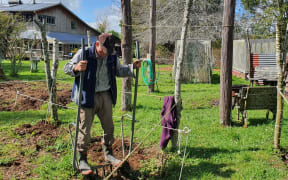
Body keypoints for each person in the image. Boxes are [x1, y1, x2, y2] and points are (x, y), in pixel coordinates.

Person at [64, 33, 141, 175]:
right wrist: (76, 68)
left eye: (110, 51)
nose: (107, 54)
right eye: (105, 51)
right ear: (98, 45)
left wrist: (131, 67)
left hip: (105, 94)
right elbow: (66, 67)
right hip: (87, 94)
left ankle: (108, 153)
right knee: (85, 128)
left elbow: (119, 71)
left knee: (109, 126)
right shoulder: (84, 53)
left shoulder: (111, 55)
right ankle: (82, 159)